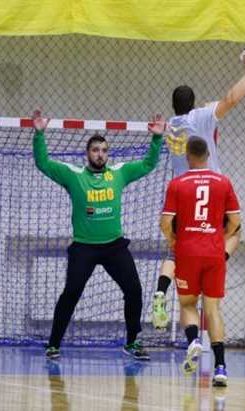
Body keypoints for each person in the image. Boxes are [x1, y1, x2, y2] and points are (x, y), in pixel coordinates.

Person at [32, 109, 165, 360]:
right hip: (84, 247)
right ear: (87, 154)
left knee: (134, 290)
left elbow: (148, 164)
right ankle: (53, 344)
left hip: (114, 247)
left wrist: (157, 138)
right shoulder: (74, 176)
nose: (100, 154)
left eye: (104, 150)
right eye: (95, 150)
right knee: (71, 293)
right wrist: (39, 135)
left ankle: (132, 342)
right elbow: (43, 163)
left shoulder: (119, 173)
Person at [152, 54, 245, 330]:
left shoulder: (174, 124)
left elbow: (206, 109)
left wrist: (207, 107)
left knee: (176, 251)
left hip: (181, 196)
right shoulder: (201, 118)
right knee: (235, 232)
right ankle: (219, 259)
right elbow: (232, 99)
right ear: (194, 104)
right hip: (208, 193)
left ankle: (161, 290)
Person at [159, 137, 241, 387]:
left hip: (187, 252)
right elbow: (235, 222)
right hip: (214, 253)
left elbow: (165, 222)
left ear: (188, 156)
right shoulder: (223, 182)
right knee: (213, 309)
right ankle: (220, 368)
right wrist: (220, 236)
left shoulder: (177, 183)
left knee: (188, 304)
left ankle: (194, 340)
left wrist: (173, 239)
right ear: (208, 155)